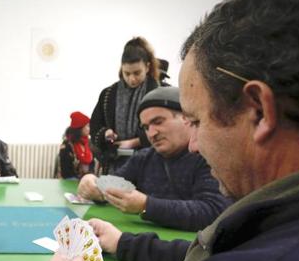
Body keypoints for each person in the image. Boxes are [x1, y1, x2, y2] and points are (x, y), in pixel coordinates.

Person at [44, 0, 299, 261]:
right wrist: (121, 240)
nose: (193, 143)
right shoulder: (280, 227)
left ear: (258, 111)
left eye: (197, 120)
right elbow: (210, 256)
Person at [77, 87, 230, 231]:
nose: (151, 133)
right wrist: (92, 182)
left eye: (158, 122)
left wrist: (145, 205)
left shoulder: (209, 157)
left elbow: (213, 211)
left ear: (187, 118)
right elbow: (112, 185)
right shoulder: (144, 158)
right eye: (145, 127)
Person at [90, 37, 160, 174]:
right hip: (114, 165)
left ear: (147, 67)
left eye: (137, 73)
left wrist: (135, 142)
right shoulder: (108, 94)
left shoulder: (159, 93)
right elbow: (95, 126)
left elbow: (164, 129)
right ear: (121, 68)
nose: (131, 79)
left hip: (149, 166)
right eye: (126, 73)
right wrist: (106, 133)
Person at [57, 111, 98, 179]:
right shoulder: (67, 145)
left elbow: (92, 165)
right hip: (70, 181)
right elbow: (66, 173)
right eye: (87, 126)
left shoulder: (88, 143)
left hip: (86, 180)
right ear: (80, 128)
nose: (89, 129)